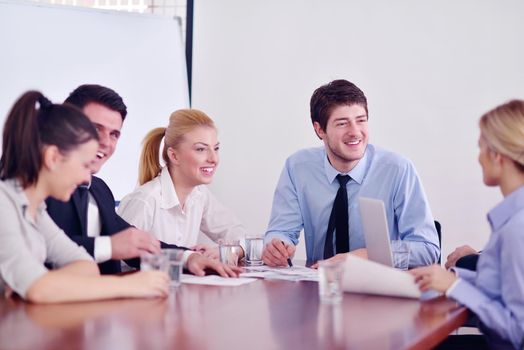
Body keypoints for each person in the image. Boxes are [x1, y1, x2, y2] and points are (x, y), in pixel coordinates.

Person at [46, 85, 238, 277]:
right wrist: (110, 247)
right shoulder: (39, 190)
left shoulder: (99, 190)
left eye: (114, 134)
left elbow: (135, 244)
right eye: (96, 128)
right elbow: (45, 250)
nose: (106, 142)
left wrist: (188, 258)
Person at [0, 91, 169, 303]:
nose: (85, 177)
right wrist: (128, 285)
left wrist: (39, 283)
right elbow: (39, 290)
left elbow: (86, 267)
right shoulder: (4, 203)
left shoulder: (36, 211)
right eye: (84, 165)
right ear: (53, 157)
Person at [262, 79, 440, 268]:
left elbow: (428, 249)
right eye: (342, 123)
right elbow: (281, 232)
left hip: (379, 289)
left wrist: (366, 256)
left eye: (361, 120)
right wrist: (276, 246)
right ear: (319, 129)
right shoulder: (297, 168)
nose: (355, 132)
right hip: (319, 288)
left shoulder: (398, 170)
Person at [410, 100, 524, 350]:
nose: (478, 158)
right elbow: (504, 287)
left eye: (481, 147)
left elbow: (518, 332)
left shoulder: (517, 228)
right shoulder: (513, 218)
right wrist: (451, 277)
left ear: (497, 156)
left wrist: (455, 286)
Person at [117, 109, 244, 260]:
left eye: (216, 148)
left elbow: (236, 233)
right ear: (174, 156)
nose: (214, 159)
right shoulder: (145, 200)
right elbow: (120, 261)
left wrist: (223, 251)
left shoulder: (200, 194)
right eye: (201, 149)